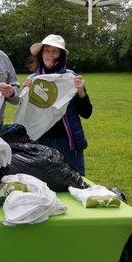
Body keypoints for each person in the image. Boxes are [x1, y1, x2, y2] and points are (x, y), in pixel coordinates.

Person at [24, 34, 92, 175]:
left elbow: (87, 113)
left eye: (55, 51)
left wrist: (81, 92)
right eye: (46, 50)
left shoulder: (71, 78)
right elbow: (27, 115)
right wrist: (26, 93)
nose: (50, 55)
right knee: (44, 185)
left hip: (68, 142)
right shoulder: (33, 80)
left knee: (78, 181)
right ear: (41, 53)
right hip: (41, 141)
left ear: (61, 55)